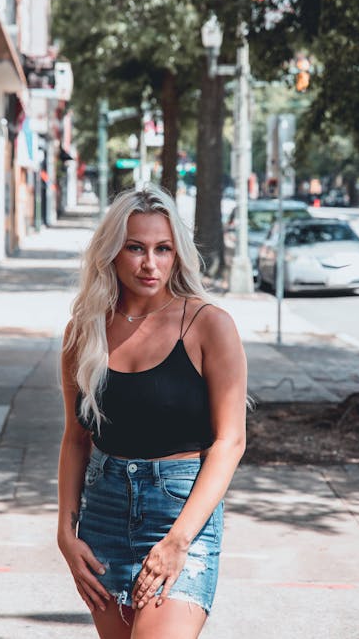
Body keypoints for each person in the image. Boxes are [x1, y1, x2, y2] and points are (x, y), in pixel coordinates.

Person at [58, 186, 247, 639]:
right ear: (112, 253)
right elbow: (75, 438)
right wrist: (66, 533)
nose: (151, 264)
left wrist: (178, 541)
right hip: (103, 513)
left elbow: (230, 441)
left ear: (178, 254)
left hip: (180, 512)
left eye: (163, 249)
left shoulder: (207, 325)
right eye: (136, 248)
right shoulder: (83, 332)